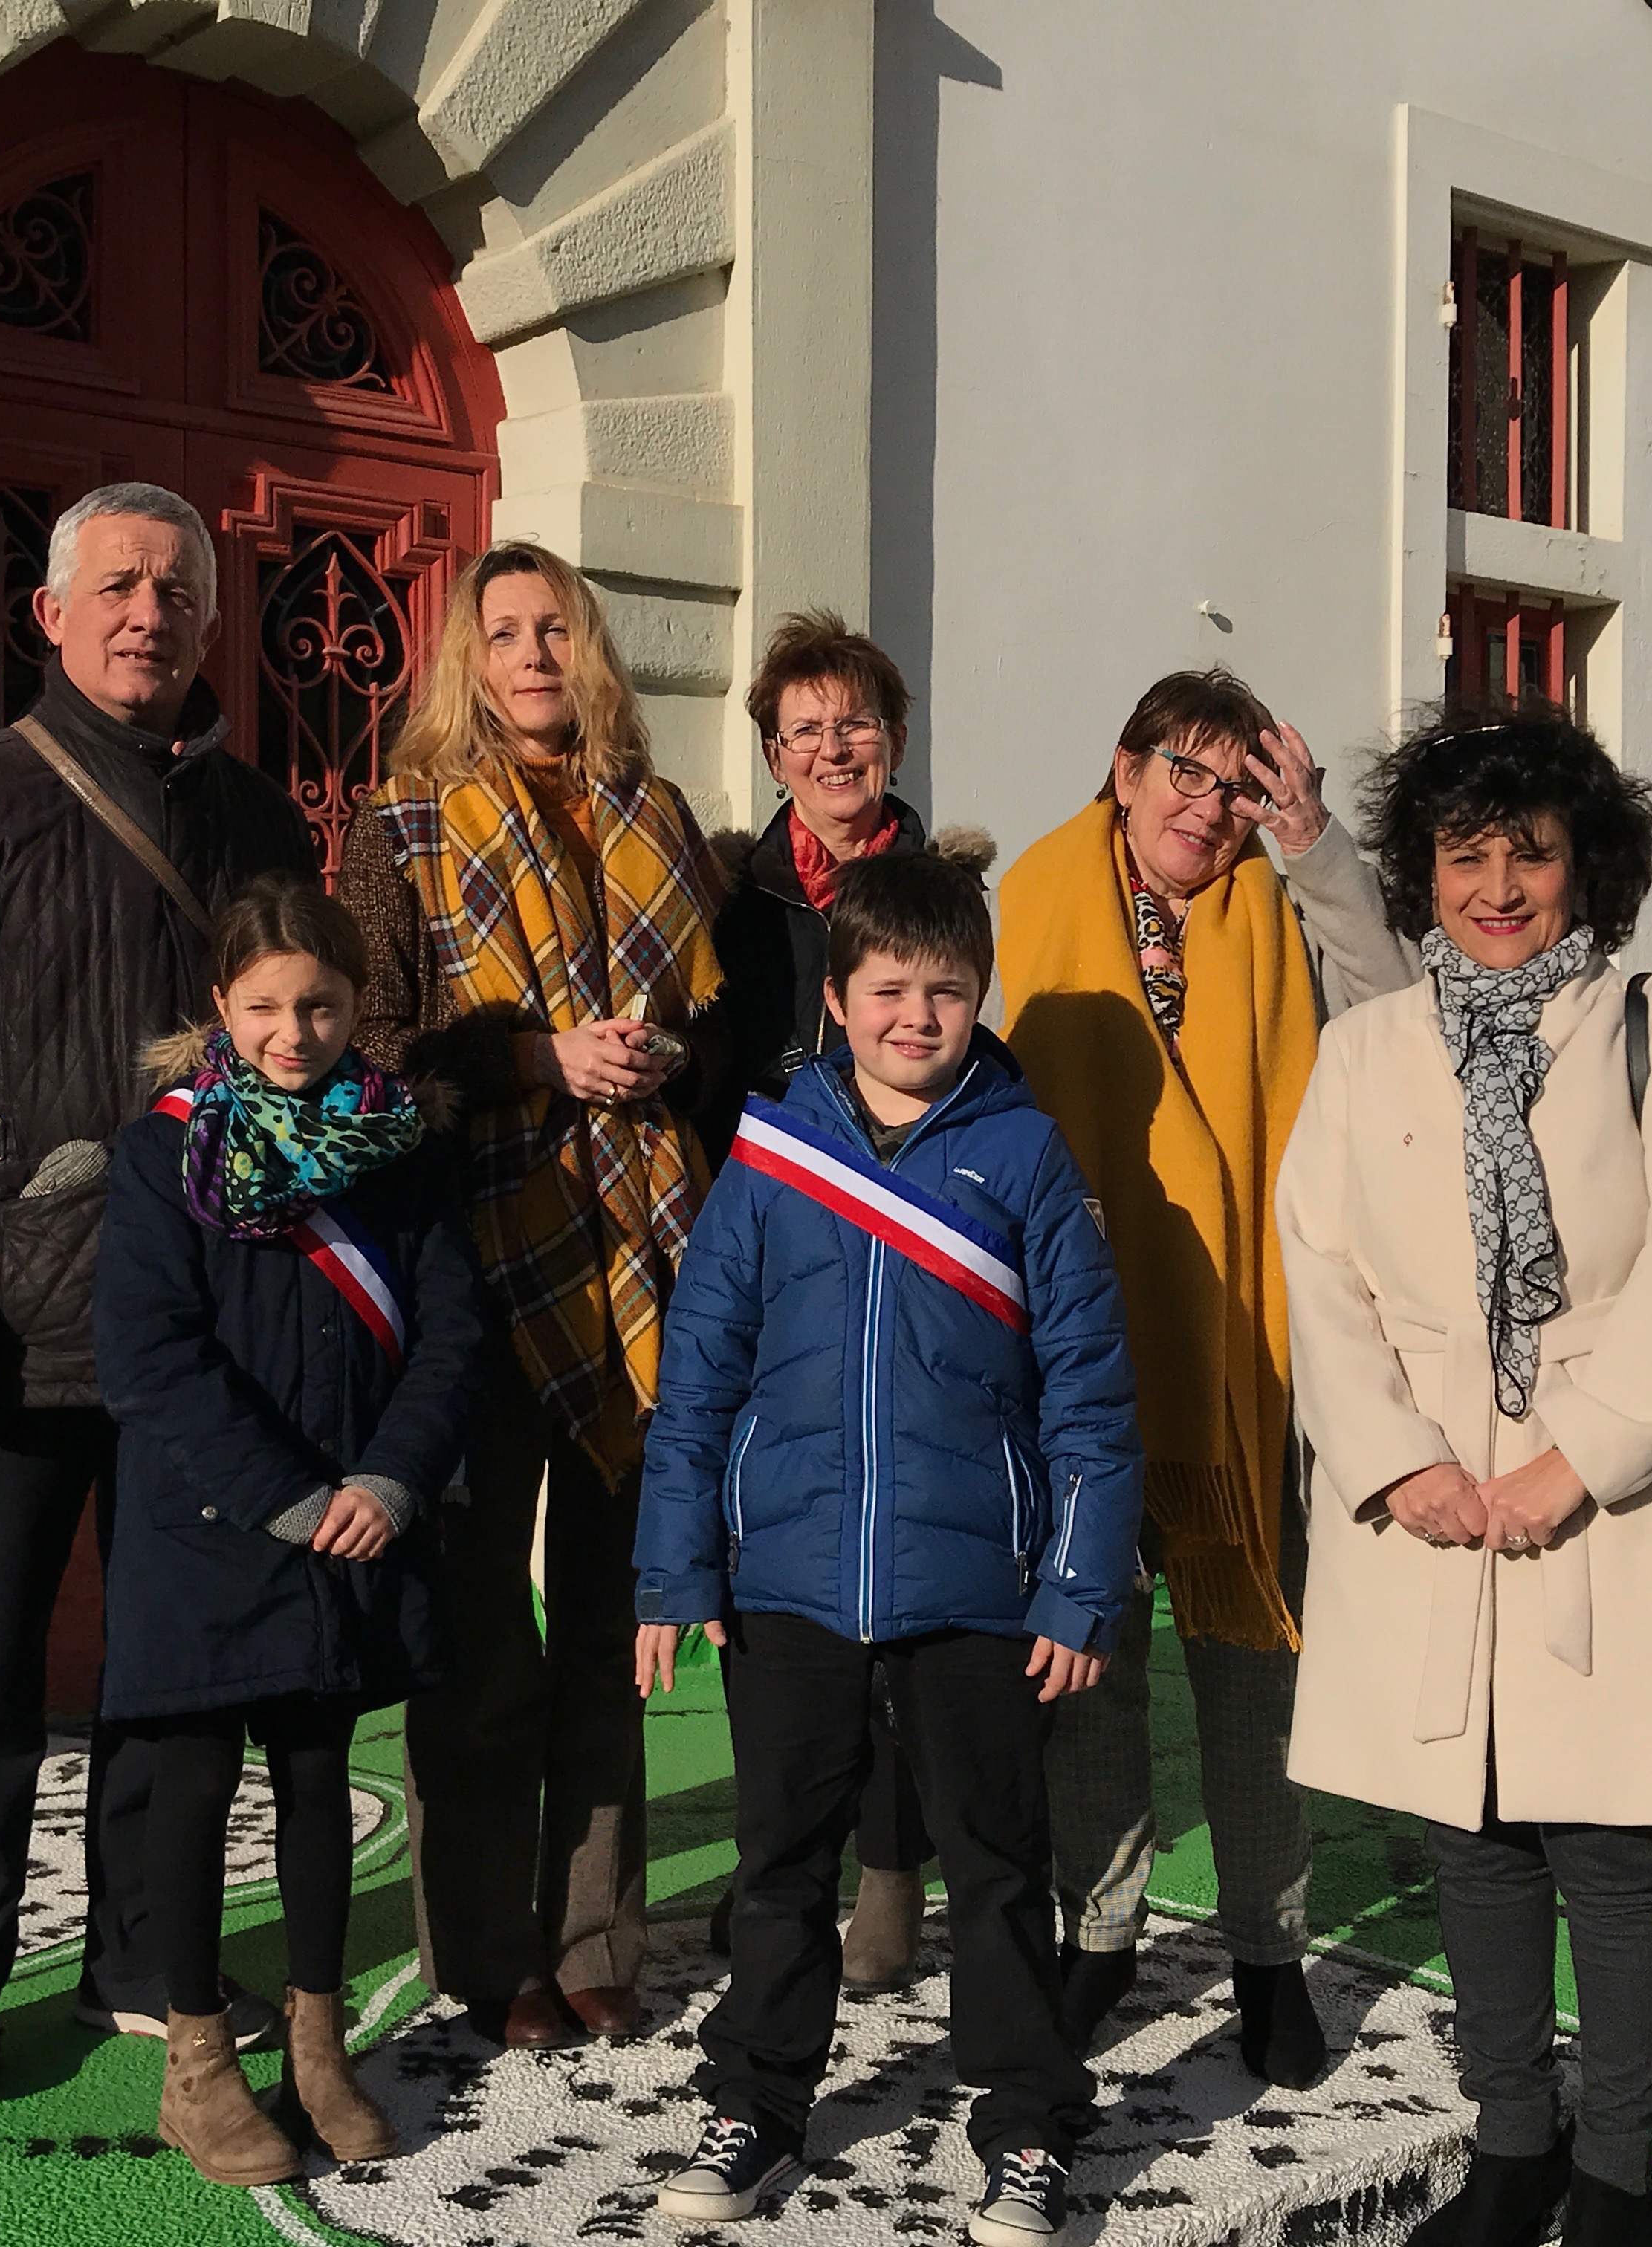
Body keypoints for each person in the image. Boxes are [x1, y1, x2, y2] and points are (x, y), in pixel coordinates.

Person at [1277, 704, 1652, 2247]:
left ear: (1588, 865)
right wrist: (1395, 1467)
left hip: (1618, 1496)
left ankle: (1616, 2178)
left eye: (1532, 852)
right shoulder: (1367, 1045)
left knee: (1619, 1849)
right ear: (1422, 871)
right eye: (1465, 853)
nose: (1498, 886)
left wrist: (1584, 1460)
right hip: (1430, 1505)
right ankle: (1513, 2148)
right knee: (1474, 1839)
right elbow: (1320, 1270)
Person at [0, 480, 317, 2104]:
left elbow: (303, 1063)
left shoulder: (260, 825)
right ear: (50, 614)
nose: (146, 616)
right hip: (14, 1331)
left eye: (176, 592)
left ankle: (138, 1955)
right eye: (115, 587)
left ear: (206, 623)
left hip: (202, 1332)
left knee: (171, 1677)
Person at [635, 852, 1142, 2247]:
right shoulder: (770, 1150)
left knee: (994, 1868)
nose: (917, 1016)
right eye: (888, 990)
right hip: (788, 1582)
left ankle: (1026, 2128)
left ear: (981, 997)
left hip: (979, 1592)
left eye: (947, 991)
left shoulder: (1029, 1155)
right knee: (779, 1864)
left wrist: (1081, 1584)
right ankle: (755, 2106)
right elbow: (700, 1377)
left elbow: (1093, 1389)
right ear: (840, 1001)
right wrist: (677, 1569)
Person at [997, 667, 1416, 2087]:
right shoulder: (1029, 901)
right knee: (1087, 1666)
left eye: (1235, 783)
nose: (1207, 803)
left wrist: (1314, 846)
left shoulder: (1278, 907)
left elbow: (1396, 1010)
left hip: (1247, 1347)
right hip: (1081, 1350)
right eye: (1184, 767)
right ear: (1123, 768)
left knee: (1252, 1674)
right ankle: (1100, 1933)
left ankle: (1268, 1953)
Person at [337, 541, 728, 2048]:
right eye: (504, 632)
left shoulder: (662, 815)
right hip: (483, 1258)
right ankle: (486, 1950)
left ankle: (593, 1936)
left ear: (592, 648)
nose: (535, 653)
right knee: (487, 1632)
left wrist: (656, 1059)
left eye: (556, 627)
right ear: (468, 660)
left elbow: (713, 1018)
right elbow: (372, 1050)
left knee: (612, 1629)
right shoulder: (406, 828)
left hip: (645, 1262)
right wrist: (534, 1060)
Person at [91, 872, 480, 2183]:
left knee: (319, 1781)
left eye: (319, 1006)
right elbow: (148, 1354)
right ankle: (196, 2067)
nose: (291, 1033)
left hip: (356, 1524)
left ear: (357, 1004)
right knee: (194, 1785)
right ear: (220, 1004)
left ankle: (318, 2049)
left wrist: (392, 1481)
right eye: (263, 1007)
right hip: (211, 1526)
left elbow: (448, 1339)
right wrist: (288, 1494)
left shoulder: (404, 1147)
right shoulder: (164, 1151)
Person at [701, 609, 988, 1991]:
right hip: (777, 1267)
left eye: (855, 722)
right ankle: (785, 1865)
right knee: (792, 1582)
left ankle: (891, 1868)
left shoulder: (942, 887)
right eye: (804, 727)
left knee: (911, 1586)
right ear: (772, 751)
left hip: (916, 1265)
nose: (833, 746)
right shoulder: (732, 898)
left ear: (895, 739)